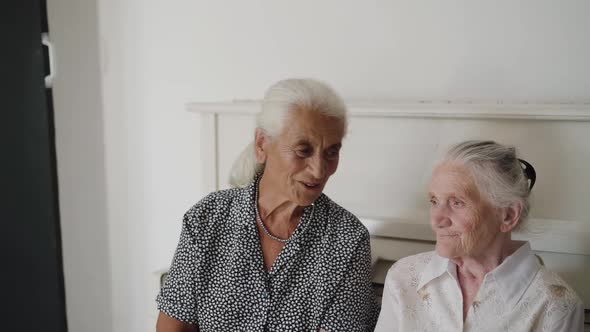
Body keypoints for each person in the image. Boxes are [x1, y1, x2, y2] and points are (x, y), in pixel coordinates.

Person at [156, 78, 378, 332]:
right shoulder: (206, 219)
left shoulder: (347, 240)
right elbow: (173, 327)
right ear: (262, 144)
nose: (319, 170)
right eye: (303, 150)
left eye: (331, 152)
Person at [375, 140, 584, 332]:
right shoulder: (404, 277)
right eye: (434, 201)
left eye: (457, 203)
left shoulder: (555, 305)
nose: (437, 220)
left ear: (508, 215)